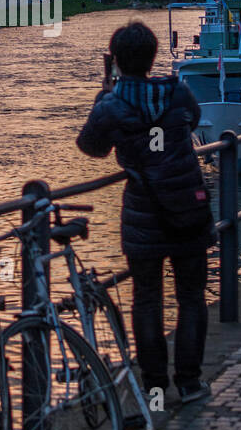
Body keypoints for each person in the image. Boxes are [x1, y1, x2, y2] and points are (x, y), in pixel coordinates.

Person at [76, 21, 212, 405]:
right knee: (191, 296)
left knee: (146, 297)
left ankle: (154, 387)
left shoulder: (113, 105)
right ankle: (189, 383)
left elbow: (91, 147)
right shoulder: (179, 93)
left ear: (116, 60)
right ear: (153, 58)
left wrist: (104, 91)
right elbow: (194, 123)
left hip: (144, 213)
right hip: (188, 207)